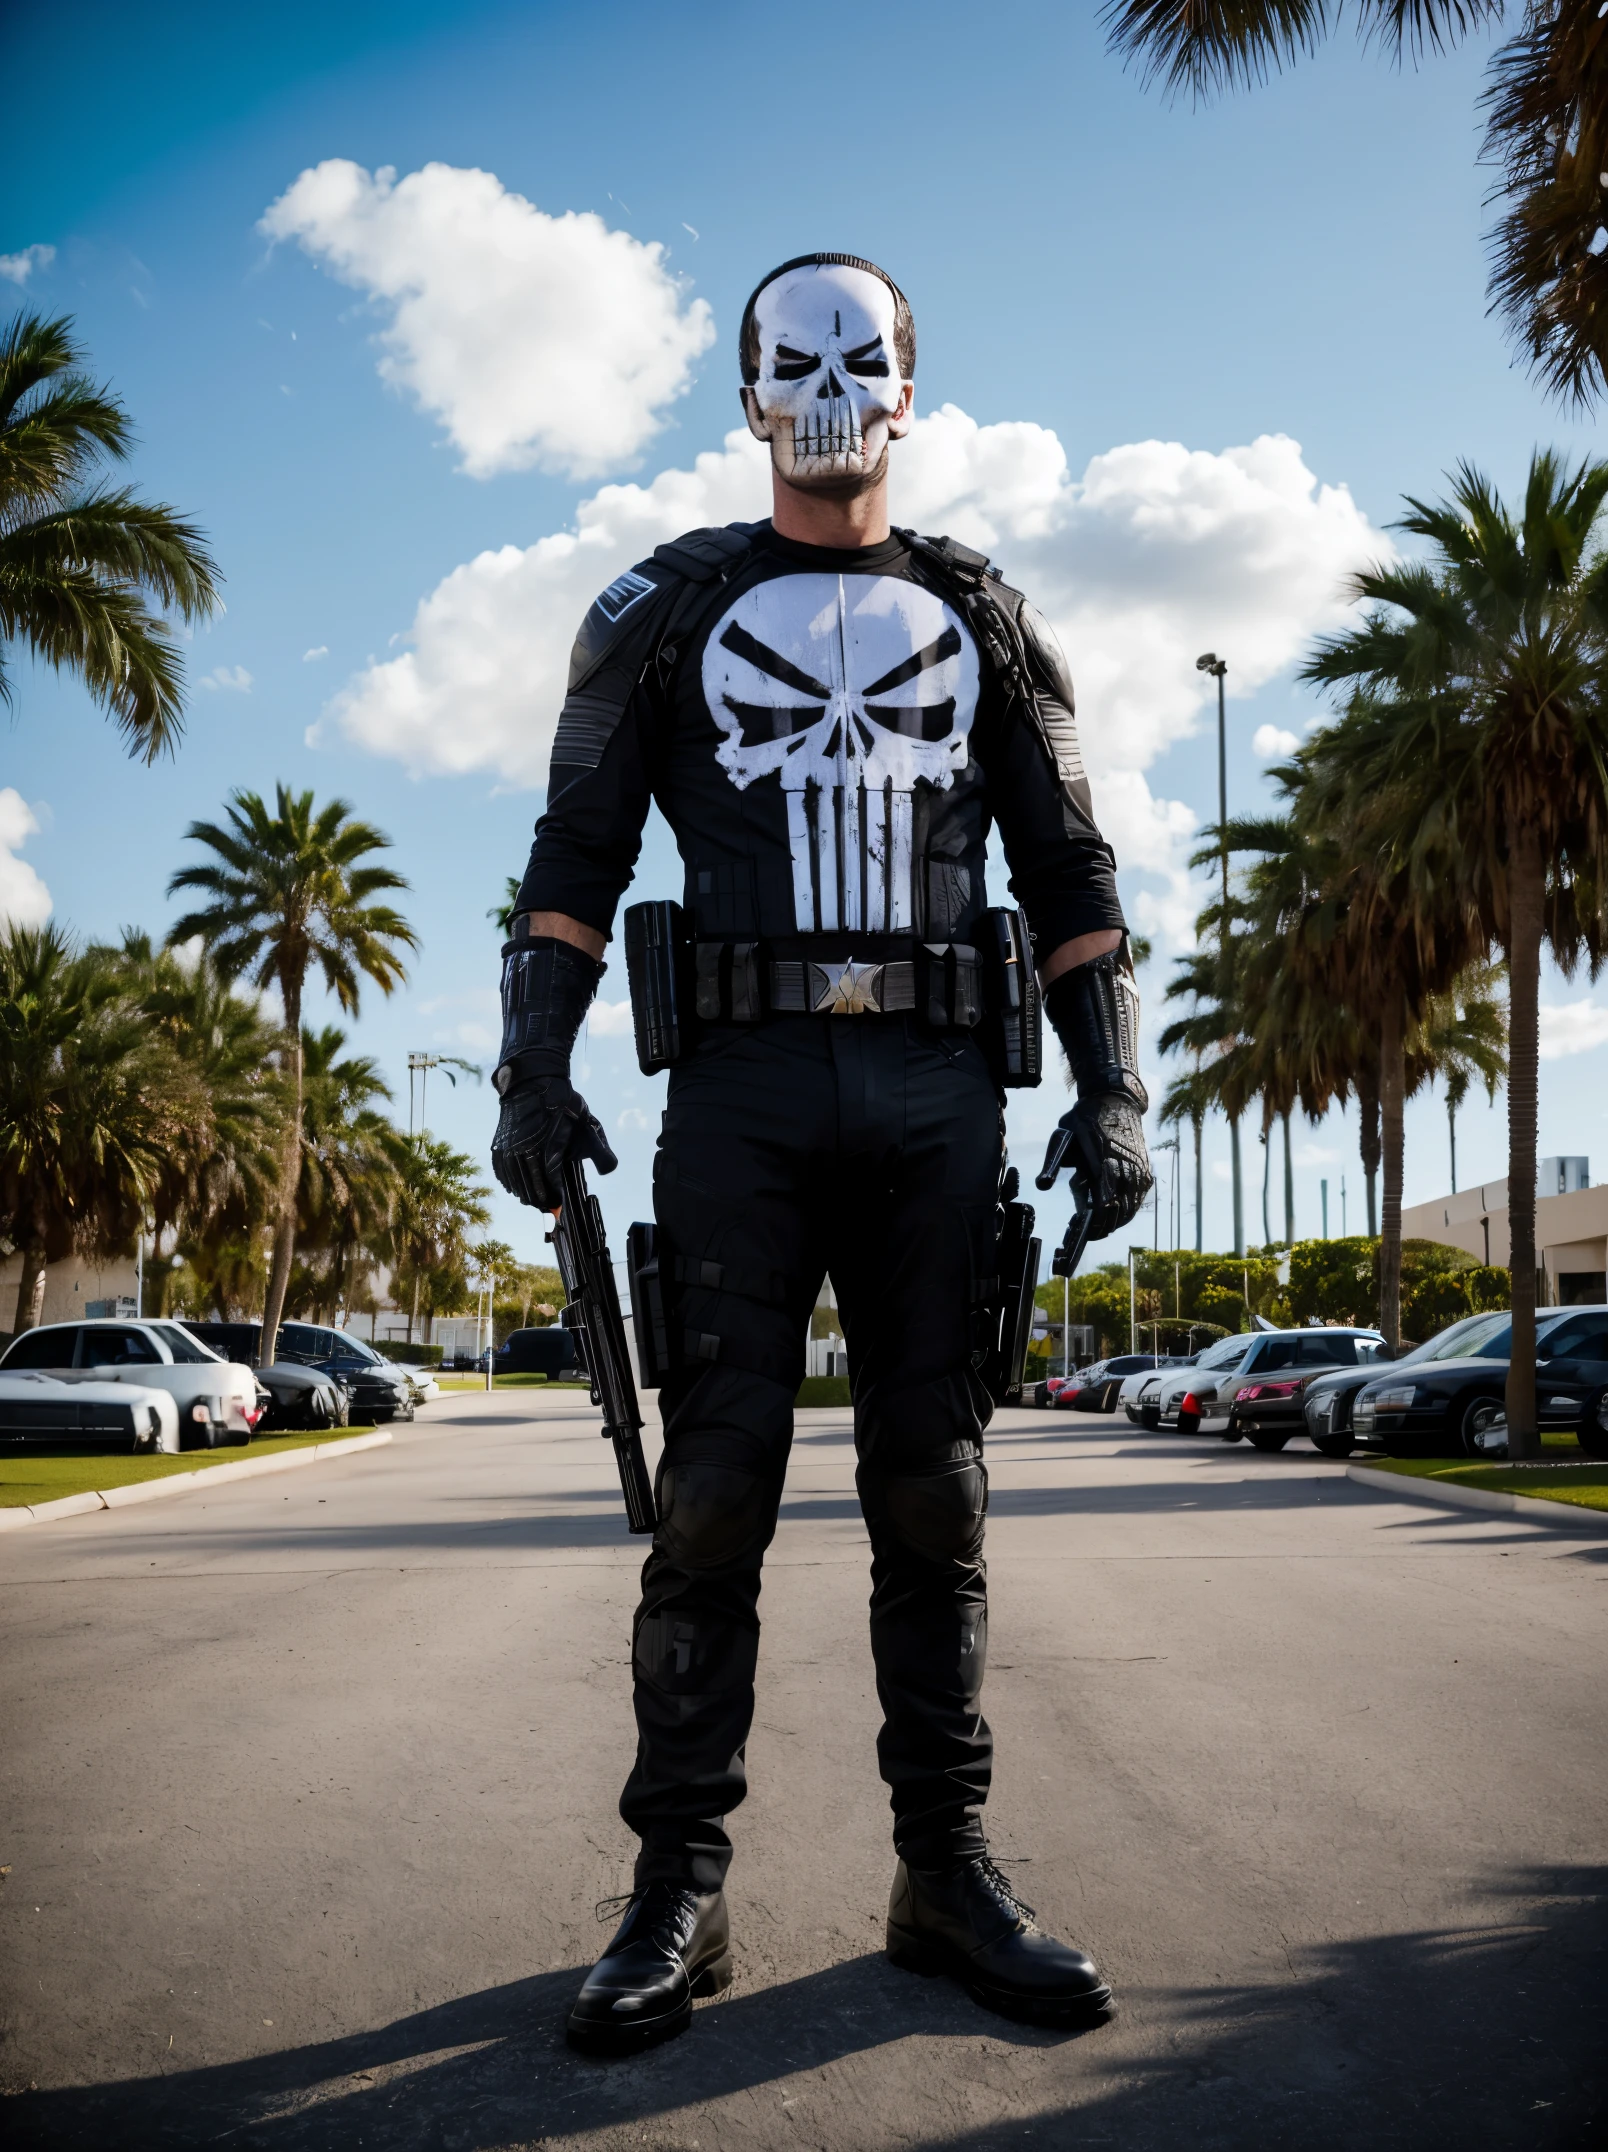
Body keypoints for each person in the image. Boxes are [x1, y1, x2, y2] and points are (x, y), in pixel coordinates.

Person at [491, 253, 1152, 2053]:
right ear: (748, 390)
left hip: (943, 1100)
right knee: (712, 1500)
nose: (837, 387)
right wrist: (525, 1073)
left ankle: (946, 1871)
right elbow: (570, 863)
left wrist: (1114, 1087)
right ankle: (675, 1893)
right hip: (743, 1103)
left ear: (914, 391)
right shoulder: (665, 611)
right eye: (803, 358)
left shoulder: (988, 619)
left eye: (868, 358)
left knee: (932, 1493)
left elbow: (1071, 877)